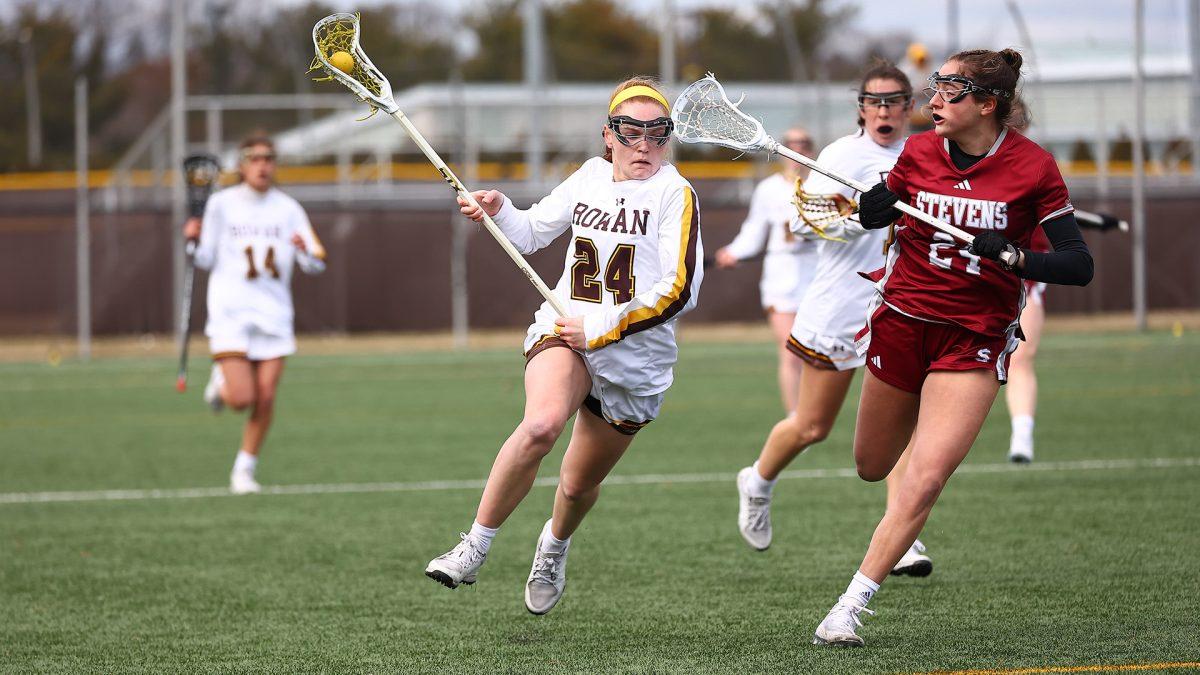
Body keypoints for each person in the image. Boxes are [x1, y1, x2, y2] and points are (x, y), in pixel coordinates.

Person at [812, 48, 1092, 647]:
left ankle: (849, 606)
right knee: (872, 466)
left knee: (928, 475)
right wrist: (871, 207)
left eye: (949, 90)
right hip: (903, 322)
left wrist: (1017, 256)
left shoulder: (1034, 167)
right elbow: (872, 215)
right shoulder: (916, 152)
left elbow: (1078, 263)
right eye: (933, 87)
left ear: (988, 104)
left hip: (974, 336)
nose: (932, 100)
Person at [424, 77, 703, 616]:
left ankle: (553, 546)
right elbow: (528, 233)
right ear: (608, 135)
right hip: (565, 333)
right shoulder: (590, 177)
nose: (643, 145)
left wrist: (602, 330)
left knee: (576, 489)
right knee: (542, 424)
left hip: (633, 361)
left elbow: (680, 288)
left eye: (657, 133)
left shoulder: (676, 192)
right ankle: (474, 547)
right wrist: (500, 208)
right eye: (630, 131)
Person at [735, 62, 932, 577]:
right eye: (875, 101)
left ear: (910, 106)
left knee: (901, 432)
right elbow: (804, 221)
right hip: (842, 306)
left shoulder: (928, 155)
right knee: (812, 426)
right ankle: (757, 481)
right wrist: (860, 216)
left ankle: (903, 537)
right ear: (861, 107)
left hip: (902, 308)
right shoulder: (842, 157)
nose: (884, 110)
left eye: (894, 100)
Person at [184, 135, 327, 495]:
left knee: (265, 399)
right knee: (242, 399)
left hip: (275, 314)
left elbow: (315, 261)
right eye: (255, 158)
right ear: (242, 165)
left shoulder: (288, 208)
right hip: (231, 313)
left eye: (269, 158)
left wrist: (304, 251)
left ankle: (244, 470)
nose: (263, 165)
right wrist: (191, 239)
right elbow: (203, 259)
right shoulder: (220, 204)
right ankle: (222, 382)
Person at [1003, 98, 1126, 463]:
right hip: (970, 279)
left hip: (1022, 281)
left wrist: (1094, 222)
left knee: (1021, 357)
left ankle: (1021, 438)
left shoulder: (1034, 168)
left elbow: (1056, 217)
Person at [713, 128, 819, 412]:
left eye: (803, 144)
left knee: (816, 353)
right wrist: (733, 252)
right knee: (791, 351)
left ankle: (813, 415)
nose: (797, 151)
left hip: (818, 279)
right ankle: (795, 419)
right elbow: (754, 231)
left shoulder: (823, 186)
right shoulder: (769, 189)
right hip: (781, 281)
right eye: (791, 145)